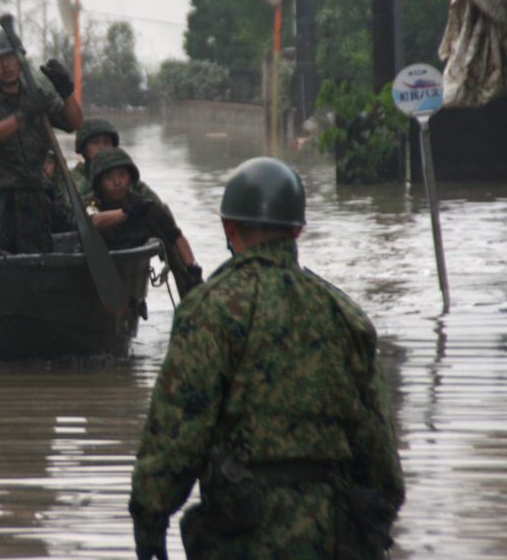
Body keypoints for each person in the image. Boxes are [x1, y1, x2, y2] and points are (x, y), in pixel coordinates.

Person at [129, 157, 405, 560]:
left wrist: (150, 515)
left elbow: (178, 431)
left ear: (228, 227)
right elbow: (378, 447)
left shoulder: (210, 309)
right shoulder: (344, 315)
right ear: (297, 229)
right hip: (331, 534)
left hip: (242, 534)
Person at [0, 28, 82, 255]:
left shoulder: (35, 95)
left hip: (32, 200)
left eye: (10, 58)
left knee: (37, 267)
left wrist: (66, 92)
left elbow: (74, 122)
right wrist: (23, 114)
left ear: (20, 60)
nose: (6, 65)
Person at [87, 147, 202, 298]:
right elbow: (92, 222)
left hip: (133, 276)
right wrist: (127, 213)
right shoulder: (92, 202)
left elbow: (175, 237)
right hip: (96, 275)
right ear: (99, 182)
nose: (117, 182)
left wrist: (192, 267)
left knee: (185, 270)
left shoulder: (145, 207)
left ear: (130, 178)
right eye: (109, 177)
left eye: (122, 175)